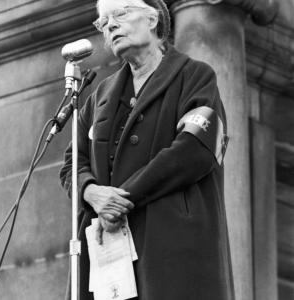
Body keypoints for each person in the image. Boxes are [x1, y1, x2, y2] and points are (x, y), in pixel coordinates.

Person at [60, 0, 234, 299]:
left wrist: (121, 198)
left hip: (171, 246)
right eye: (103, 22)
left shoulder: (195, 77)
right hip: (108, 256)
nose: (111, 25)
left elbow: (195, 150)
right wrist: (92, 192)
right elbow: (71, 164)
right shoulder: (98, 95)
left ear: (153, 19)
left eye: (121, 13)